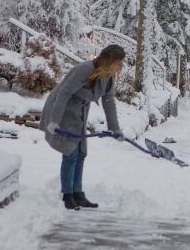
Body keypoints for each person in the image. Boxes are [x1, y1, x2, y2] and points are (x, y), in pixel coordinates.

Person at [40, 45, 126, 210]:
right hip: (61, 110)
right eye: (117, 63)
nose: (119, 67)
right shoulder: (84, 69)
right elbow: (63, 93)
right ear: (108, 60)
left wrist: (115, 129)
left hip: (78, 113)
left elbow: (109, 102)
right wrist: (54, 120)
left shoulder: (108, 77)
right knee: (70, 153)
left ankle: (78, 193)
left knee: (81, 153)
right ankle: (67, 195)